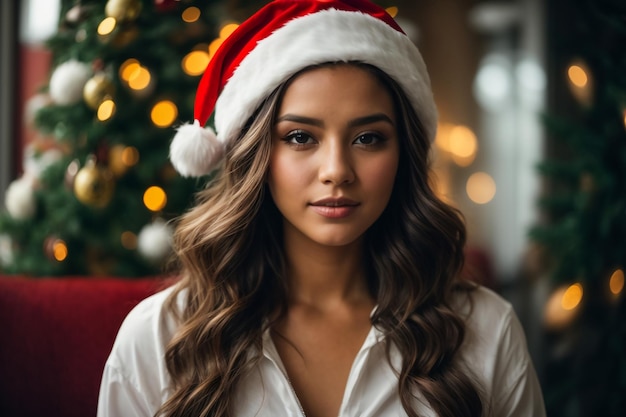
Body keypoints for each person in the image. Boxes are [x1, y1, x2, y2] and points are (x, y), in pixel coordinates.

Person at [97, 0, 546, 416]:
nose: (336, 170)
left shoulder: (486, 330)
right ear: (258, 156)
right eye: (300, 137)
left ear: (402, 154)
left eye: (368, 138)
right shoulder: (157, 337)